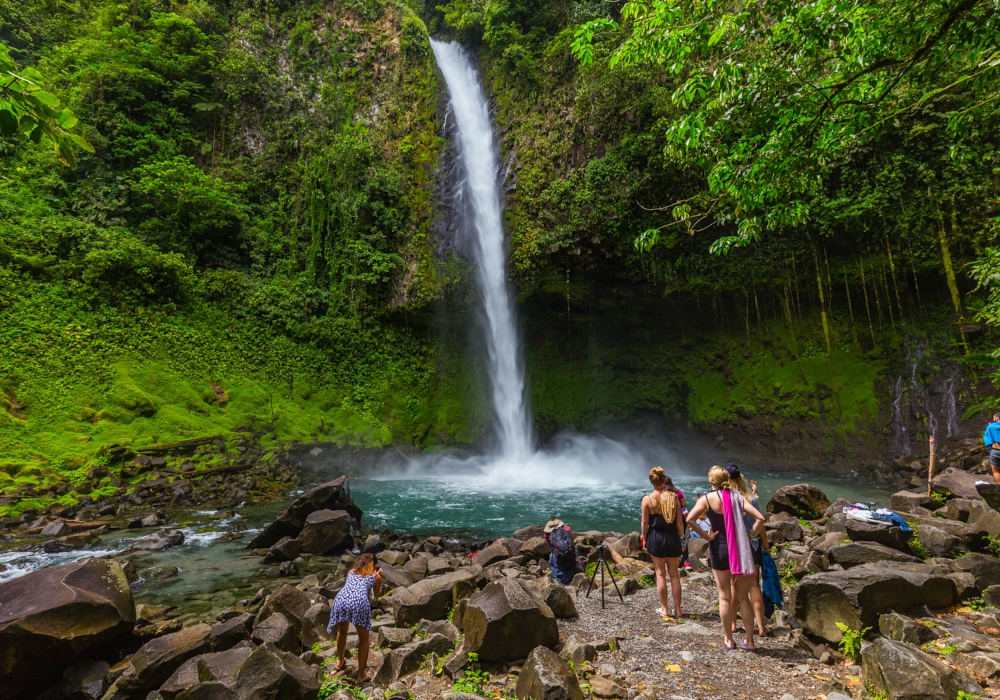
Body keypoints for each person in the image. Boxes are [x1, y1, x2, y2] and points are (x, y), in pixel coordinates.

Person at [686, 465, 766, 651]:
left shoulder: (707, 499)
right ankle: (750, 641)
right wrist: (749, 537)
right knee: (743, 597)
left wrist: (706, 537)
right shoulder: (737, 497)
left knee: (724, 597)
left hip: (720, 548)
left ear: (711, 481)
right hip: (739, 550)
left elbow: (690, 519)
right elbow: (760, 519)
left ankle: (729, 640)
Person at [725, 463, 770, 637]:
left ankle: (734, 624)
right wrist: (764, 545)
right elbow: (762, 525)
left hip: (734, 546)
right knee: (753, 585)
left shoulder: (726, 499)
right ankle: (760, 627)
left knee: (733, 584)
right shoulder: (752, 499)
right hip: (753, 546)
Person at [327, 553, 382, 684]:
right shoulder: (376, 576)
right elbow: (375, 596)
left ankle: (340, 662)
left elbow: (354, 587)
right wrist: (377, 576)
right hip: (359, 603)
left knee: (342, 631)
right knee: (364, 640)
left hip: (341, 599)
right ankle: (361, 675)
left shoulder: (351, 572)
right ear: (374, 565)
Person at [641, 467, 685, 619]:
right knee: (674, 575)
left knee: (660, 574)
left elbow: (645, 523)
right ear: (663, 480)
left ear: (652, 482)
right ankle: (678, 610)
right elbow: (680, 523)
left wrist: (645, 538)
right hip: (672, 537)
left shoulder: (647, 499)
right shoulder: (674, 498)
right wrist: (682, 538)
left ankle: (664, 609)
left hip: (656, 537)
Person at [544, 516, 581, 585]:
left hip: (558, 555)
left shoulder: (546, 534)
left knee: (553, 564)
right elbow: (570, 542)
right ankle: (573, 580)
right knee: (573, 561)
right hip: (570, 552)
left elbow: (551, 548)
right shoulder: (567, 529)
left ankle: (558, 582)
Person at [984, 411, 1000, 484]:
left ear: (997, 418)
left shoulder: (990, 426)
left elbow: (988, 440)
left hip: (996, 451)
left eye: (993, 418)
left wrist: (989, 427)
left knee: (996, 470)